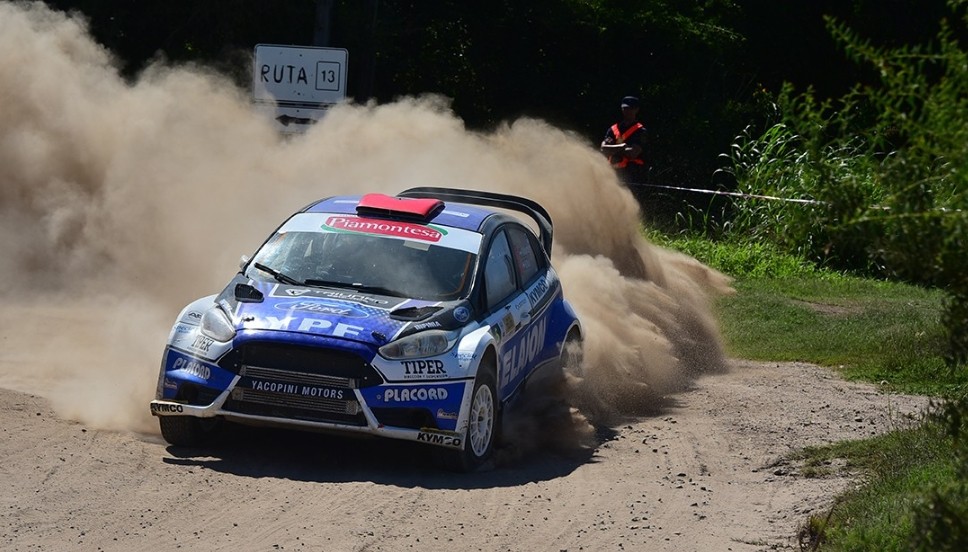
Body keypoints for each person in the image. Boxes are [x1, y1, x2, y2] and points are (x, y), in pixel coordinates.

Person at [600, 95, 648, 184]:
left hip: (632, 176)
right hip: (612, 175)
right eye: (625, 108)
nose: (627, 111)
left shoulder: (640, 131)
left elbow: (633, 153)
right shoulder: (613, 129)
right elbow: (603, 149)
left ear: (636, 110)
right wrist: (622, 147)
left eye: (631, 109)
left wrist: (612, 149)